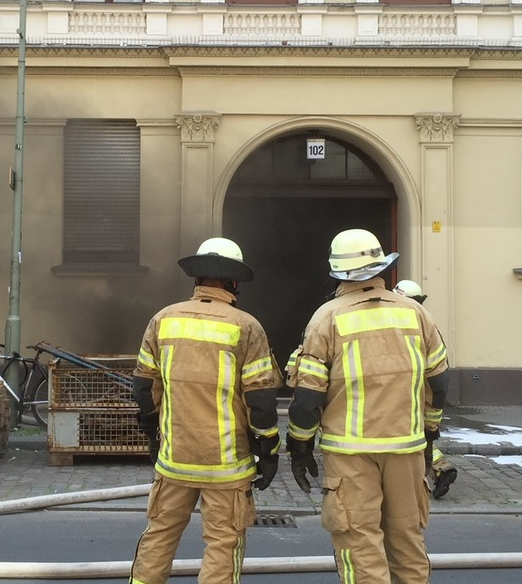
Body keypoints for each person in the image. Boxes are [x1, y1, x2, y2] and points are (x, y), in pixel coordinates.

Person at [286, 228, 449, 584]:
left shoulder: (326, 318)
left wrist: (300, 446)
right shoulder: (417, 314)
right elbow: (439, 382)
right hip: (406, 449)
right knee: (408, 545)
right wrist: (429, 432)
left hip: (351, 454)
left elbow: (308, 397)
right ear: (382, 268)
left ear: (337, 273)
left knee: (361, 548)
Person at [129, 237, 283, 584]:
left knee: (159, 536)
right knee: (223, 544)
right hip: (226, 467)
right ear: (233, 282)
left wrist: (154, 433)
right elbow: (260, 400)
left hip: (175, 458)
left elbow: (143, 387)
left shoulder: (162, 320)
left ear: (196, 279)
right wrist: (269, 450)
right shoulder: (246, 327)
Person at [393, 279, 457, 500]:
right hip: (426, 392)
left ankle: (418, 479)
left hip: (405, 393)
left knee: (412, 439)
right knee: (423, 435)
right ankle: (441, 468)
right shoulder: (427, 323)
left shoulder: (397, 324)